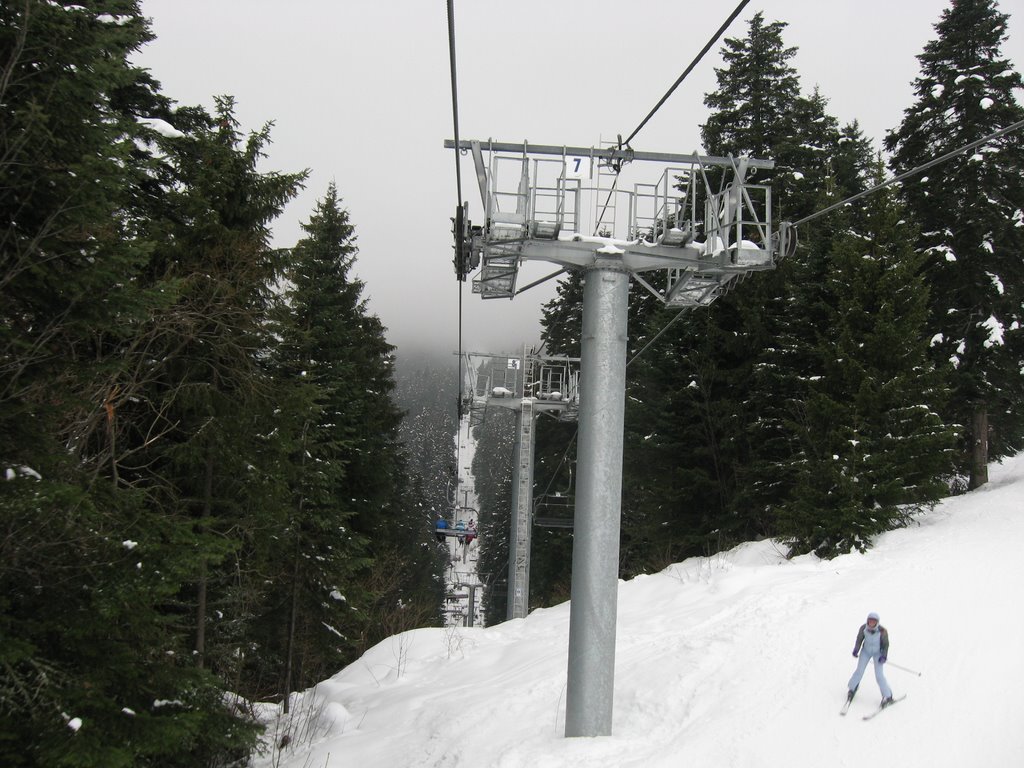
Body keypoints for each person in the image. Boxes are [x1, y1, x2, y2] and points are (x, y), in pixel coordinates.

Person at [847, 612, 893, 707]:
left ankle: (888, 696)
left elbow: (886, 645)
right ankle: (852, 688)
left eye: (873, 621)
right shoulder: (863, 628)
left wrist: (883, 656)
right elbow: (859, 639)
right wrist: (856, 649)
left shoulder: (882, 631)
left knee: (879, 676)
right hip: (866, 652)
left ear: (877, 622)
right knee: (859, 671)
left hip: (877, 653)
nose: (871, 623)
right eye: (870, 621)